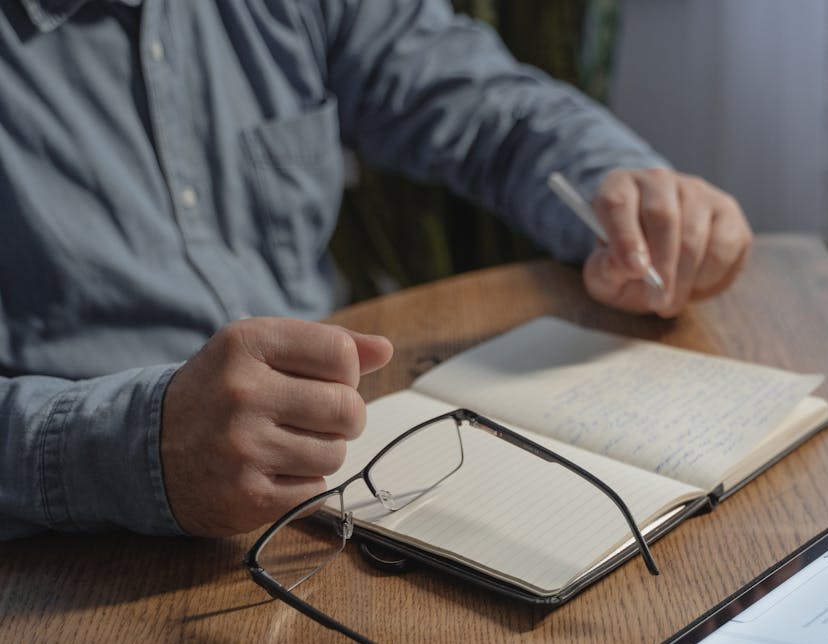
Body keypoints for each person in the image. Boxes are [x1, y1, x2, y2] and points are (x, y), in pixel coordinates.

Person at [0, 0, 752, 540]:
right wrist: (141, 444)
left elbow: (487, 104)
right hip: (68, 566)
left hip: (334, 489)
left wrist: (627, 194)